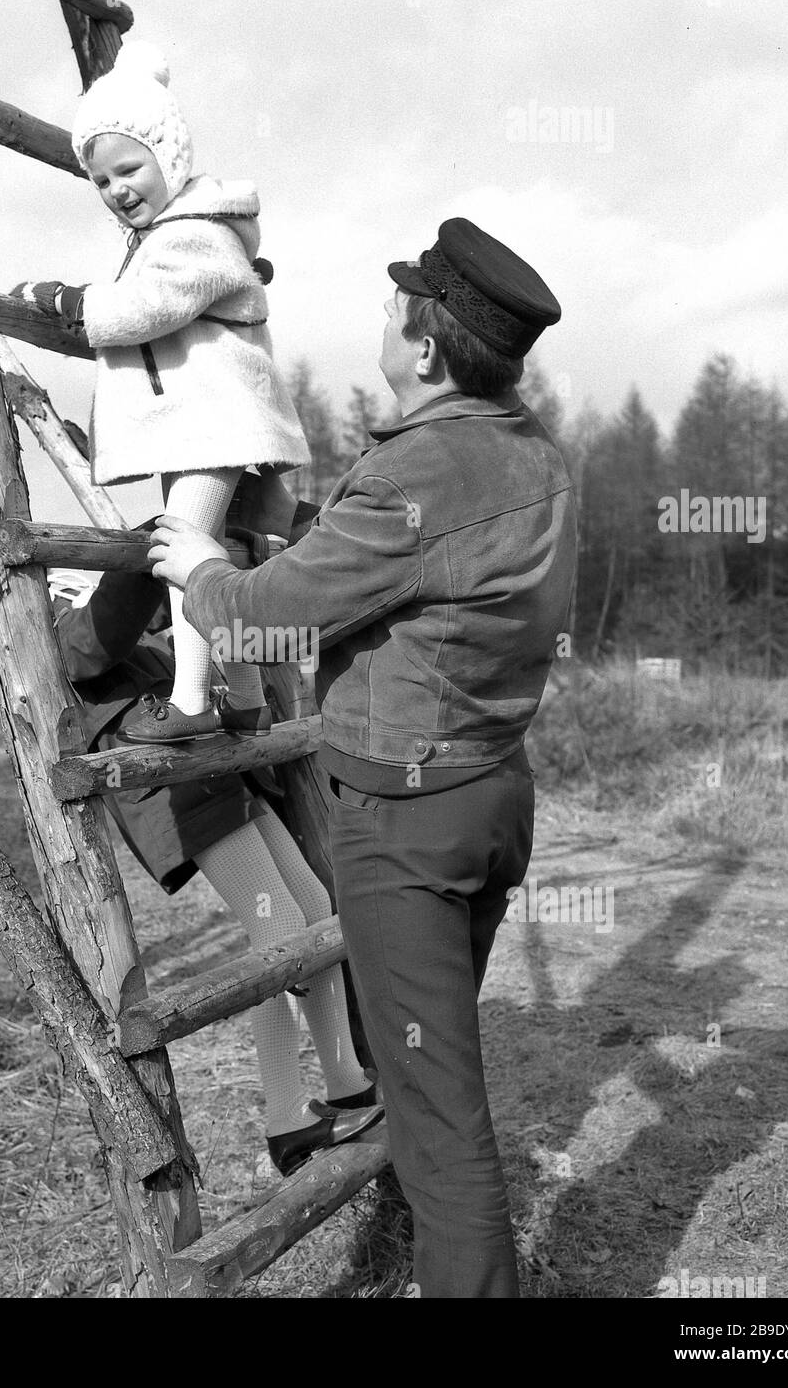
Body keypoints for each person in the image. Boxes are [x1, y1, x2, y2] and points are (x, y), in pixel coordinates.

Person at [148, 218, 578, 1296]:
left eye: (397, 309)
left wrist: (201, 566)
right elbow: (415, 591)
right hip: (492, 799)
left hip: (409, 827)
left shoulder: (414, 475)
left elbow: (260, 621)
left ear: (425, 350)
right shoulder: (533, 456)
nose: (383, 320)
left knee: (438, 1122)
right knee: (418, 1060)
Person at [0, 554, 382, 1176]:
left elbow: (159, 614)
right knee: (276, 930)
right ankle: (288, 1119)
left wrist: (191, 560)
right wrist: (139, 559)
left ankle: (346, 1081)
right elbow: (93, 643)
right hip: (170, 787)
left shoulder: (59, 592)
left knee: (316, 910)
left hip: (213, 766)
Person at [10, 40, 309, 744]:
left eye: (129, 168)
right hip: (202, 425)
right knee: (212, 557)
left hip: (217, 425)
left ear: (169, 158)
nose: (118, 188)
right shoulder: (170, 234)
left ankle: (192, 700)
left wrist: (66, 300)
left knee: (185, 552)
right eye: (101, 180)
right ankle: (243, 699)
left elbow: (143, 309)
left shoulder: (198, 235)